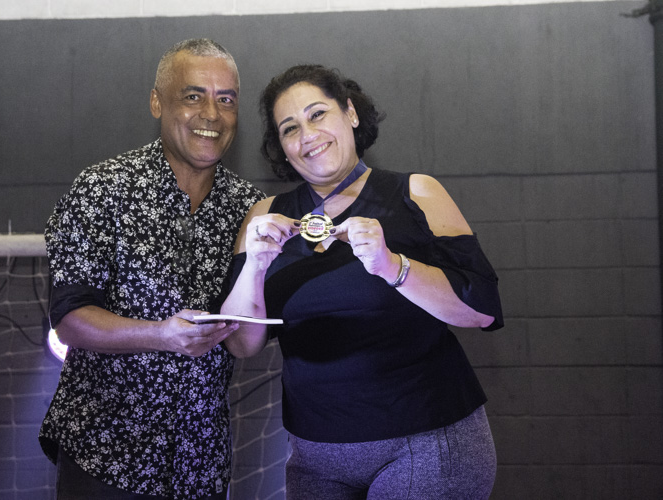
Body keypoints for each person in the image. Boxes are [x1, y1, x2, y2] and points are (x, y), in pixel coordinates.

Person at [220, 64, 504, 499]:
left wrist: (392, 266)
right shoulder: (265, 217)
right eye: (290, 128)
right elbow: (241, 345)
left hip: (426, 443)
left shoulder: (415, 193)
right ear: (281, 146)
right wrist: (255, 267)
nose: (307, 135)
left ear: (350, 113)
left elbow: (482, 311)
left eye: (318, 114)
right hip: (314, 457)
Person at [38, 38, 264, 500]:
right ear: (157, 102)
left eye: (226, 100)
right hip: (105, 458)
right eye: (193, 95)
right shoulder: (103, 189)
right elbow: (70, 319)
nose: (212, 114)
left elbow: (245, 341)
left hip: (200, 463)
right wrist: (162, 334)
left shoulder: (251, 208)